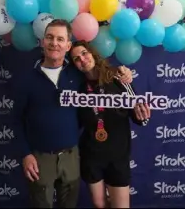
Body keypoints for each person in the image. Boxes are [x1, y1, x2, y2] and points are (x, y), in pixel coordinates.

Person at [12, 19, 134, 208]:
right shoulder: (26, 78)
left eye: (60, 39)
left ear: (67, 45)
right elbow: (15, 119)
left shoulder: (76, 74)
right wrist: (25, 154)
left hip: (72, 156)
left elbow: (99, 73)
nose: (54, 43)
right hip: (39, 158)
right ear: (43, 41)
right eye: (50, 37)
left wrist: (122, 71)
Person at [68, 40, 151, 208]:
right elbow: (75, 121)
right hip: (92, 156)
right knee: (99, 205)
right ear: (75, 65)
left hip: (117, 156)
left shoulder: (118, 76)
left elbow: (137, 114)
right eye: (76, 59)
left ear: (92, 53)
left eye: (84, 53)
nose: (83, 60)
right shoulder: (79, 88)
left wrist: (143, 117)